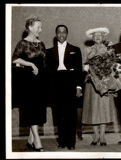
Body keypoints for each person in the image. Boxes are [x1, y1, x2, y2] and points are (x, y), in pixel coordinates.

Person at [12, 16, 46, 152]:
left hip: (40, 81)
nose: (41, 29)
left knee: (38, 110)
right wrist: (30, 63)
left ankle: (30, 140)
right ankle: (37, 140)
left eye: (41, 27)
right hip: (28, 81)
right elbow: (14, 59)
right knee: (31, 109)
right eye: (38, 27)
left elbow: (44, 63)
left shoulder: (41, 43)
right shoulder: (22, 43)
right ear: (30, 28)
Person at [46, 24, 82, 150]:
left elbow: (78, 70)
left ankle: (71, 143)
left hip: (70, 82)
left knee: (71, 114)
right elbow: (48, 72)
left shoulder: (75, 49)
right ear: (56, 34)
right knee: (59, 114)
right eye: (59, 32)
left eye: (64, 32)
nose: (61, 34)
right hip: (56, 84)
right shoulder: (49, 52)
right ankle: (62, 141)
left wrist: (79, 87)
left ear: (67, 34)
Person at [82, 27, 118, 146]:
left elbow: (113, 64)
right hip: (92, 83)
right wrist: (87, 68)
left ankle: (102, 136)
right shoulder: (88, 50)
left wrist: (109, 73)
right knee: (94, 109)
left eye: (100, 35)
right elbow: (85, 64)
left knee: (104, 109)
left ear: (103, 37)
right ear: (92, 38)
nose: (97, 37)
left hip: (105, 82)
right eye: (95, 35)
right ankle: (96, 135)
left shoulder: (109, 49)